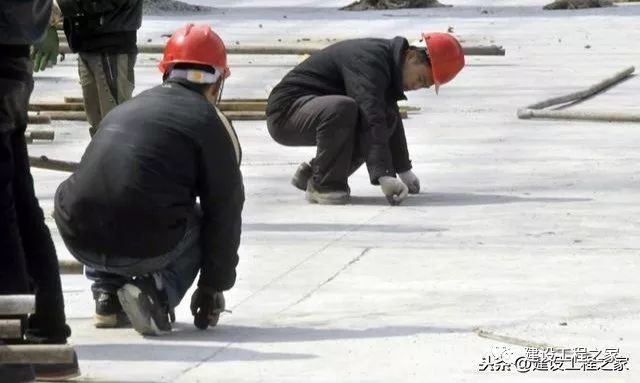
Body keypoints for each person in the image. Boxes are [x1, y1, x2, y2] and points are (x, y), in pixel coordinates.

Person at [54, 24, 245, 336]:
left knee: (113, 193)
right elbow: (225, 210)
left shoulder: (128, 107)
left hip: (78, 231)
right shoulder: (208, 121)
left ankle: (107, 298)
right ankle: (156, 294)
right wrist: (212, 286)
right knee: (199, 219)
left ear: (166, 73)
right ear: (218, 81)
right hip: (136, 240)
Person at [266, 33, 465, 205]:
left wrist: (404, 169)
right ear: (411, 56)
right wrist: (384, 175)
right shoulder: (369, 60)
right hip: (286, 112)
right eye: (420, 79)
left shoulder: (387, 65)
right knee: (344, 109)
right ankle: (324, 185)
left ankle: (314, 173)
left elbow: (385, 115)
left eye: (424, 86)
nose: (416, 86)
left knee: (386, 116)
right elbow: (370, 114)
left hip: (314, 110)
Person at [0, 1, 79, 382]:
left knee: (4, 212)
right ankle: (46, 327)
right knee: (18, 201)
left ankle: (10, 340)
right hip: (13, 59)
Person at [31, 0, 143, 137]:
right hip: (87, 43)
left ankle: (115, 158)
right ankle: (101, 157)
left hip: (111, 45)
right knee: (97, 125)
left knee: (115, 125)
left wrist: (56, 10)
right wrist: (49, 20)